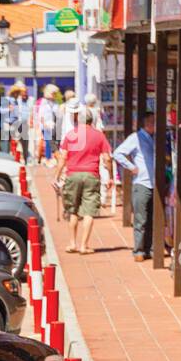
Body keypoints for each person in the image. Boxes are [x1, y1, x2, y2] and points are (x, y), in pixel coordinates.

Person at [55, 107, 114, 254]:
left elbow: (63, 158)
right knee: (89, 211)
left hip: (72, 174)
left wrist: (56, 176)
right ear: (92, 120)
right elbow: (107, 158)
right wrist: (111, 177)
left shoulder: (70, 135)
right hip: (91, 174)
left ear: (78, 120)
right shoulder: (99, 136)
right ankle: (84, 245)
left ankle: (72, 243)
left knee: (73, 210)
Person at [113, 111, 156, 260]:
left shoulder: (155, 138)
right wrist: (131, 167)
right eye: (153, 121)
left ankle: (150, 249)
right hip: (142, 183)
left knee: (153, 218)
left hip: (155, 184)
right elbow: (117, 153)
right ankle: (139, 250)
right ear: (147, 123)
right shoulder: (136, 138)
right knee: (140, 218)